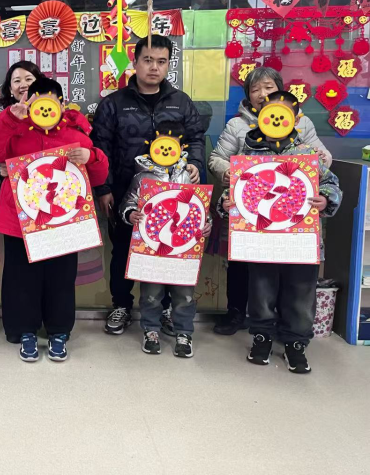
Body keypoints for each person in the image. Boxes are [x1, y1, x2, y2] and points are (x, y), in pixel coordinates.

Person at [0, 78, 109, 362]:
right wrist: (9, 118)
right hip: (20, 222)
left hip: (63, 222)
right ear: (29, 101)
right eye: (37, 98)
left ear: (62, 103)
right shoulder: (16, 131)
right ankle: (25, 331)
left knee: (60, 279)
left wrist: (91, 156)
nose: (45, 106)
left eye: (52, 99)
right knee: (21, 279)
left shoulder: (75, 135)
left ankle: (58, 331)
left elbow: (99, 177)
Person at [217, 91, 341, 374]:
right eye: (269, 113)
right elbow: (235, 191)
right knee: (261, 289)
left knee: (301, 292)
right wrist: (225, 203)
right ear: (260, 117)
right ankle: (261, 337)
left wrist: (326, 199)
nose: (275, 119)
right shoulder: (247, 155)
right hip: (261, 240)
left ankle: (296, 343)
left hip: (300, 241)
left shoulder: (308, 154)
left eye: (283, 114)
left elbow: (331, 184)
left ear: (295, 119)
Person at [91, 35, 205, 336]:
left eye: (161, 61)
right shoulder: (114, 103)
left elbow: (196, 138)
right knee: (122, 252)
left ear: (168, 65)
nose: (154, 67)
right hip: (125, 194)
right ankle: (121, 305)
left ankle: (164, 309)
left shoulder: (181, 102)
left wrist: (195, 164)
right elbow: (100, 148)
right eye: (148, 60)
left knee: (166, 249)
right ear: (135, 61)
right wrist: (103, 190)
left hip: (172, 197)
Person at [208, 66, 332, 335]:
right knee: (242, 264)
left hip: (289, 212)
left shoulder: (302, 123)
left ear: (280, 91)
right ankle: (238, 314)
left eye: (268, 88)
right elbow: (216, 158)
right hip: (249, 211)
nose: (262, 94)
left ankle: (284, 326)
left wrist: (318, 162)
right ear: (248, 95)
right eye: (255, 89)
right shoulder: (237, 125)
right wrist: (229, 172)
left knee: (286, 271)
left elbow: (323, 159)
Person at [119, 121, 212, 358]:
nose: (167, 149)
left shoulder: (190, 176)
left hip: (183, 248)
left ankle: (184, 332)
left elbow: (200, 206)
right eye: (161, 143)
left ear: (181, 147)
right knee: (151, 293)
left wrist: (206, 224)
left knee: (184, 294)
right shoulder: (142, 177)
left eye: (173, 144)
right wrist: (130, 214)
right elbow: (128, 202)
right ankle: (150, 330)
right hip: (151, 246)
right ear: (152, 144)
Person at [0, 61, 46, 185]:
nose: (23, 85)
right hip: (16, 188)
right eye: (17, 81)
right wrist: (0, 172)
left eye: (29, 79)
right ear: (10, 89)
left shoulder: (52, 113)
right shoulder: (5, 118)